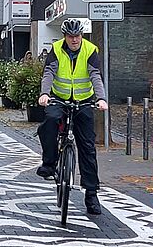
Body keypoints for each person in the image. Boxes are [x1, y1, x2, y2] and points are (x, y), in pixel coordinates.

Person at [35, 18, 109, 215]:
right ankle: (49, 164)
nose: (74, 40)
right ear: (65, 36)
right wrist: (45, 94)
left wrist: (101, 98)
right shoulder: (56, 49)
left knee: (87, 146)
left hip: (84, 100)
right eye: (70, 36)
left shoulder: (90, 50)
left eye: (77, 36)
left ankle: (91, 194)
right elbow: (49, 73)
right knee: (49, 122)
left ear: (81, 36)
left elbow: (95, 75)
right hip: (59, 97)